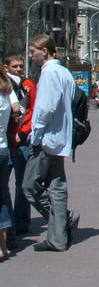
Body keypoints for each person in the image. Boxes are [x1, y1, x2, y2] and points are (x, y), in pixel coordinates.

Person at [22, 34, 80, 252]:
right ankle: (58, 238)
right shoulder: (64, 72)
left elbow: (46, 108)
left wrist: (35, 135)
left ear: (44, 51)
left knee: (30, 186)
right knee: (56, 187)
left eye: (32, 51)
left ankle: (62, 221)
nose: (30, 55)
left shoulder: (49, 73)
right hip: (62, 138)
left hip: (46, 139)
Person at [4, 54, 34, 240]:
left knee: (22, 184)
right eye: (15, 66)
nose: (19, 69)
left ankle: (20, 223)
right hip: (7, 141)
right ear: (6, 67)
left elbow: (31, 110)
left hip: (20, 140)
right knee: (3, 186)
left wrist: (23, 132)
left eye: (21, 66)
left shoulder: (27, 85)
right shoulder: (5, 86)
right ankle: (10, 227)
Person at [1, 62, 20, 260]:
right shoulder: (8, 90)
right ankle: (5, 243)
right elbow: (17, 111)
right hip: (3, 148)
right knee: (3, 195)